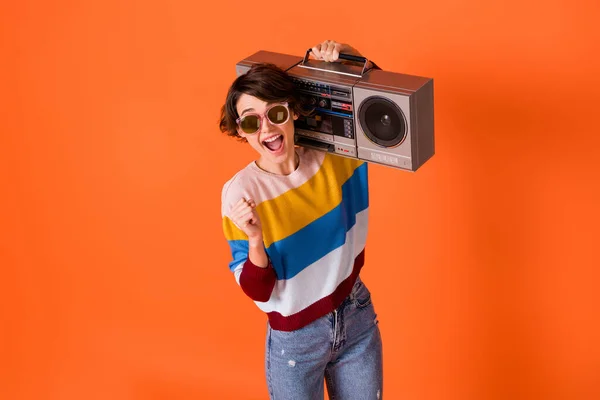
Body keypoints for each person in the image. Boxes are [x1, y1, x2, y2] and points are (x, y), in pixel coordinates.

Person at [219, 40, 383, 400]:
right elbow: (257, 291)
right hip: (295, 339)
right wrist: (255, 238)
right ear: (241, 131)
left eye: (275, 113)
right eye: (251, 121)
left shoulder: (339, 156)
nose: (266, 129)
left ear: (292, 112)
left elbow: (383, 105)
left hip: (354, 313)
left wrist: (346, 58)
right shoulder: (240, 193)